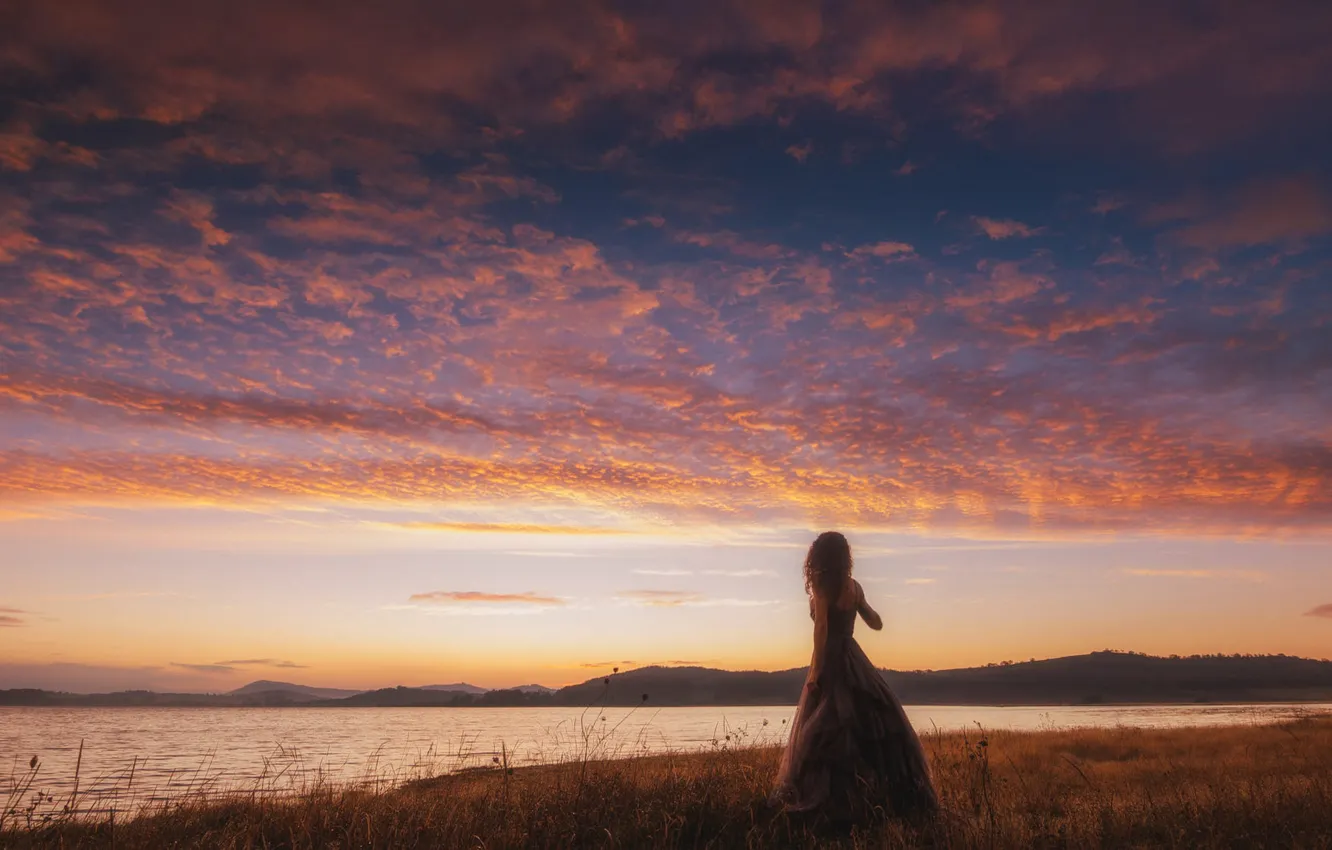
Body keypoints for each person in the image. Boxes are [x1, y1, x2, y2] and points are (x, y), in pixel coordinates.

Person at [772, 531, 938, 820]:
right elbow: (875, 621)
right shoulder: (854, 588)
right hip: (853, 655)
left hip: (832, 658)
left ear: (818, 556)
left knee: (826, 729)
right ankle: (885, 802)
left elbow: (821, 629)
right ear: (845, 557)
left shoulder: (821, 587)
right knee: (868, 722)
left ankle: (833, 806)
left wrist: (815, 673)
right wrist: (869, 615)